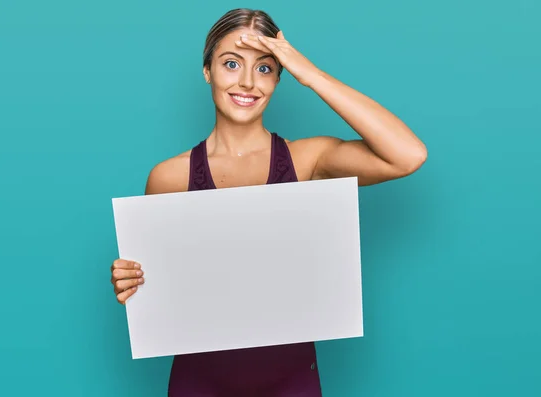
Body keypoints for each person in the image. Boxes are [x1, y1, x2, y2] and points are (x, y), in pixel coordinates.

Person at [110, 8, 427, 397]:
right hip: (198, 382)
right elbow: (155, 296)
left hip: (291, 381)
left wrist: (310, 74)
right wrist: (131, 281)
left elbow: (407, 155)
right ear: (207, 70)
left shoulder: (308, 161)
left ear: (280, 78)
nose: (247, 82)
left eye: (265, 68)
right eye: (231, 64)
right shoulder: (169, 178)